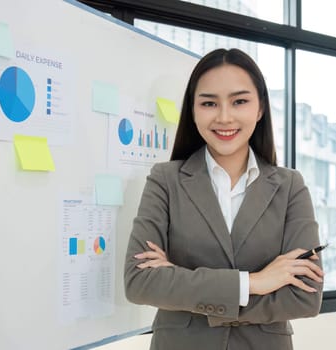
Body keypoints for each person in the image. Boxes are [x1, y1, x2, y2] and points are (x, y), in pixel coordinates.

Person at [124, 48, 324, 350]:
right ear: (193, 110)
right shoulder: (165, 179)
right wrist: (253, 283)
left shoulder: (289, 186)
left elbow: (304, 296)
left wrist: (183, 286)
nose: (224, 117)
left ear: (260, 109)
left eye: (240, 101)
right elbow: (140, 283)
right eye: (208, 103)